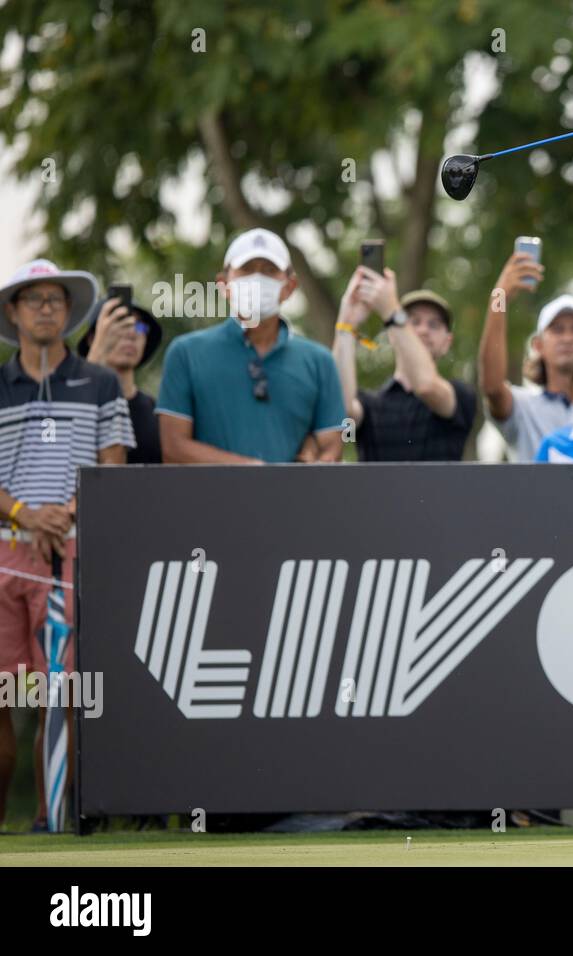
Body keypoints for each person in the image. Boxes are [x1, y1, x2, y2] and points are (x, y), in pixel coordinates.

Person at [0, 259, 133, 830]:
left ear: (69, 310)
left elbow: (113, 464)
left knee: (65, 693)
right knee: (6, 696)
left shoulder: (99, 383)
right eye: (35, 299)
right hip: (5, 549)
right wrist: (24, 513)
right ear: (14, 311)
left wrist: (68, 512)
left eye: (57, 299)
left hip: (72, 551)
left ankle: (49, 824)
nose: (47, 307)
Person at [156, 228, 346, 464]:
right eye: (246, 269)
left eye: (269, 270)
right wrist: (251, 471)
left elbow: (334, 445)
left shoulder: (320, 361)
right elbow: (173, 448)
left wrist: (314, 457)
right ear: (223, 285)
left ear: (289, 286)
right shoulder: (186, 353)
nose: (257, 279)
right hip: (207, 499)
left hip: (294, 500)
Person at [332, 268, 476, 461]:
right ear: (393, 335)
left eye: (434, 325)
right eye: (413, 322)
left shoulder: (461, 396)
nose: (423, 330)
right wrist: (346, 325)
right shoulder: (370, 405)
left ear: (447, 342)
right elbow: (340, 411)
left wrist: (392, 311)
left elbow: (426, 386)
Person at [478, 251, 573, 461]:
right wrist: (499, 297)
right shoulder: (522, 407)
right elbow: (492, 388)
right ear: (538, 345)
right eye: (557, 330)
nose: (567, 338)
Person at [79, 294, 165, 464]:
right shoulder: (69, 403)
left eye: (139, 326)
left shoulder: (157, 413)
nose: (132, 333)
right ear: (92, 338)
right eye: (119, 324)